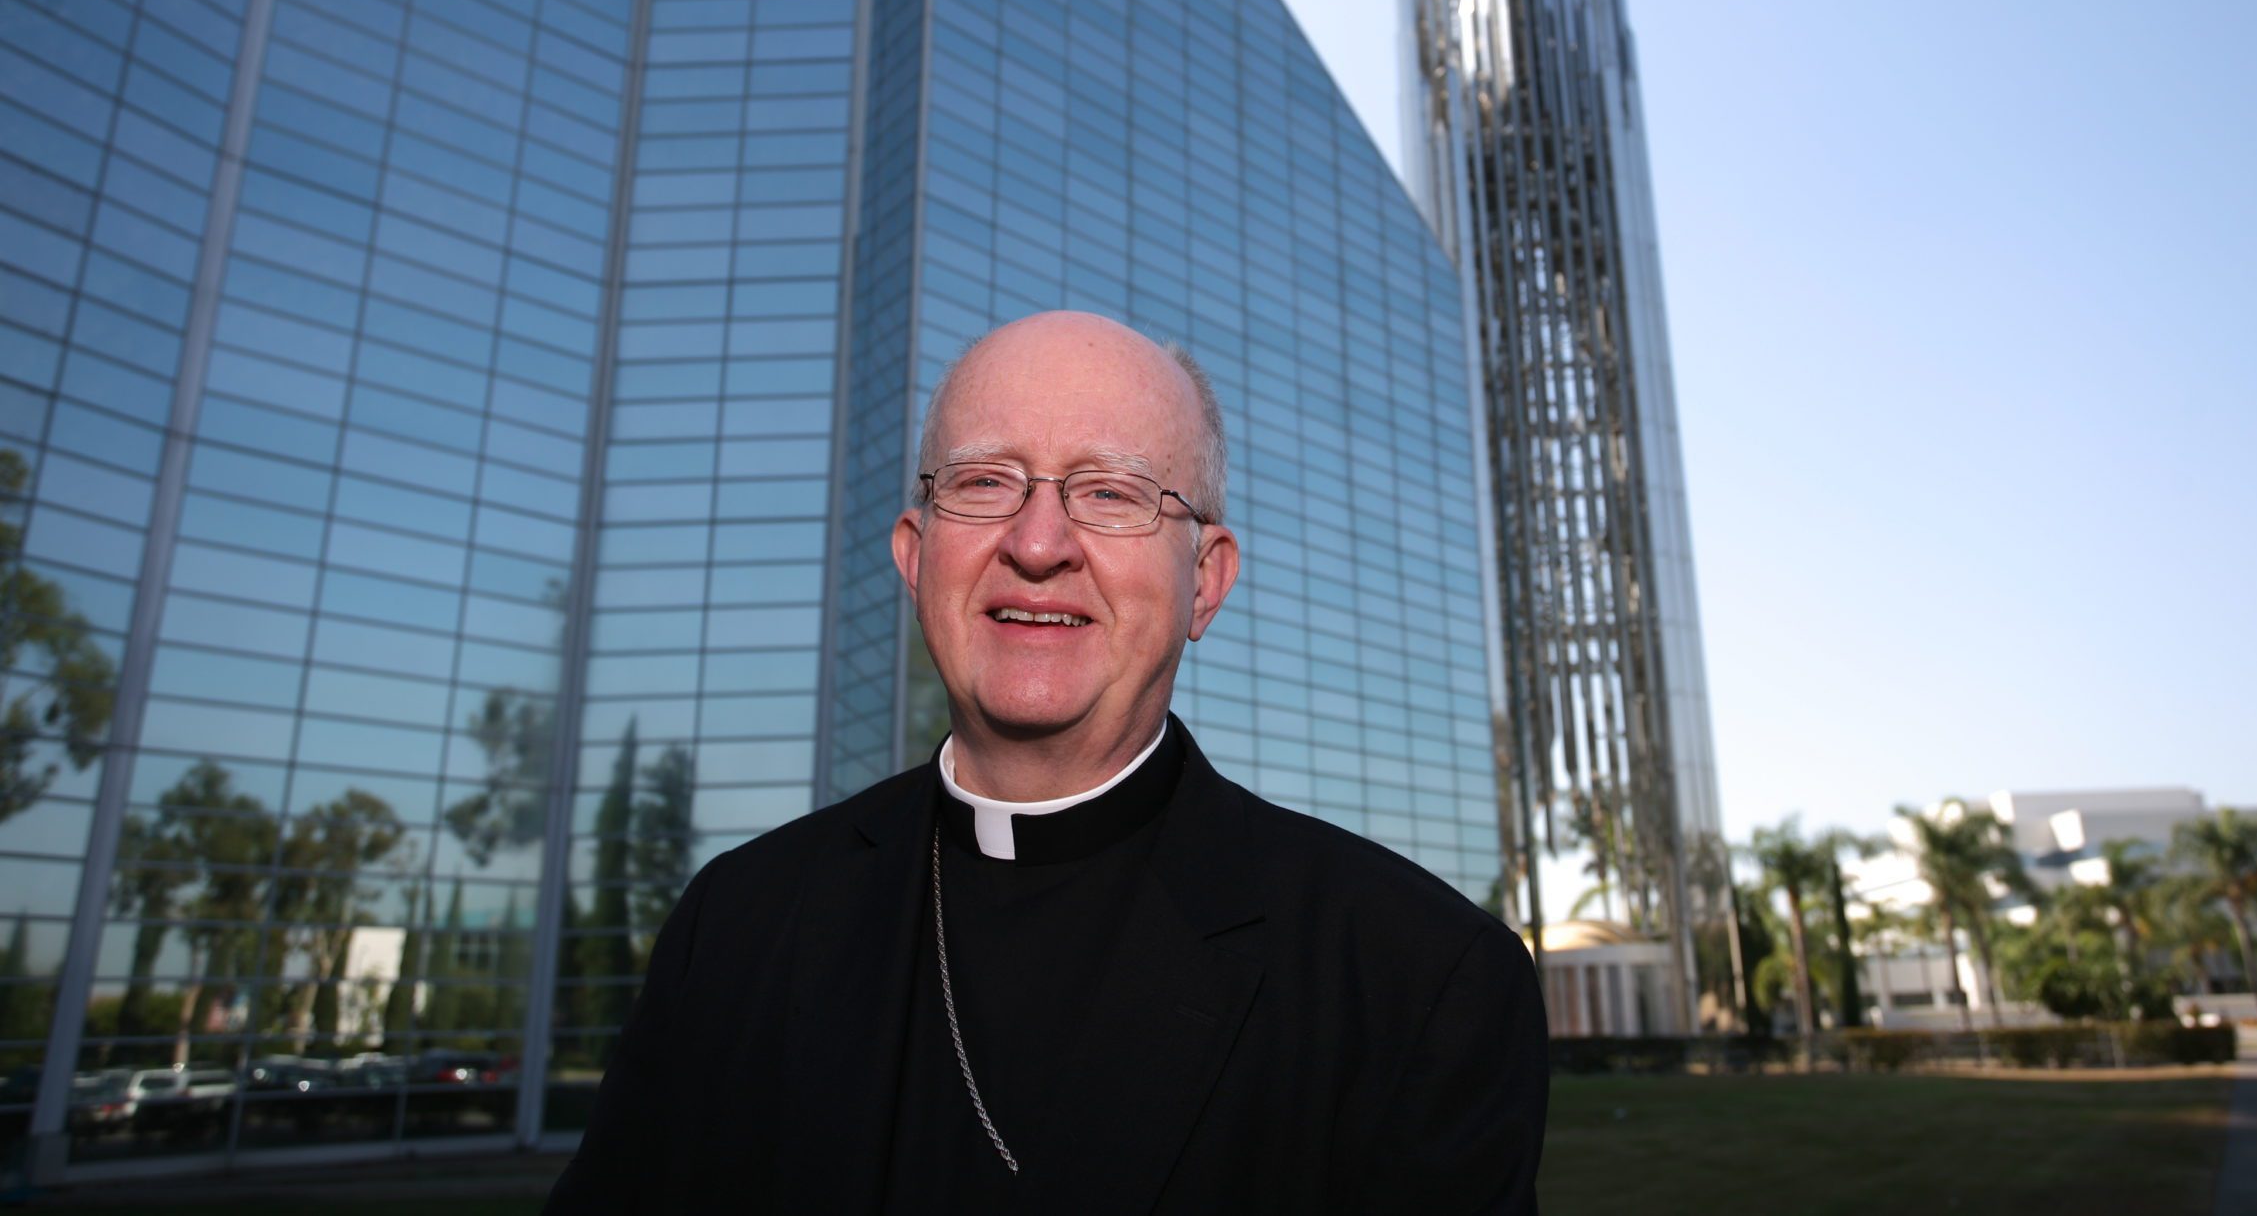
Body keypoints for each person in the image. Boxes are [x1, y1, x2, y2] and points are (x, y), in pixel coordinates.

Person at [545, 311, 1547, 1214]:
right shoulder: (740, 921)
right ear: (913, 553)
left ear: (1205, 582)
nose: (1037, 543)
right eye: (985, 483)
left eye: (1110, 493)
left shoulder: (1415, 978)